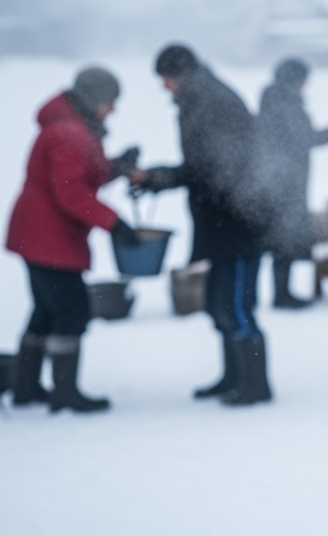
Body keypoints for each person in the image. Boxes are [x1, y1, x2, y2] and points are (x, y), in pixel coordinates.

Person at [131, 44, 272, 406]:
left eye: (165, 78)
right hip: (220, 221)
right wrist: (157, 178)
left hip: (240, 220)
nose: (164, 87)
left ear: (181, 74)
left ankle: (256, 384)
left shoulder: (214, 103)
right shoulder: (198, 100)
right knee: (219, 304)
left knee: (237, 306)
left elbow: (212, 167)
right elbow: (204, 166)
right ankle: (233, 376)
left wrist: (157, 177)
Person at [5, 66, 139, 413]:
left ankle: (26, 386)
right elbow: (71, 192)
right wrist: (114, 223)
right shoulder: (68, 132)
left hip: (38, 234)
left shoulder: (70, 126)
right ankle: (64, 393)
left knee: (46, 310)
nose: (113, 109)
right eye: (109, 101)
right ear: (93, 99)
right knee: (72, 311)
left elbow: (80, 174)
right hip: (48, 236)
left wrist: (116, 167)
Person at [257, 57, 328, 309]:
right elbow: (310, 138)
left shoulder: (271, 102)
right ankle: (282, 295)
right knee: (284, 238)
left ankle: (279, 293)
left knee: (280, 238)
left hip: (276, 182)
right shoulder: (285, 104)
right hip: (286, 184)